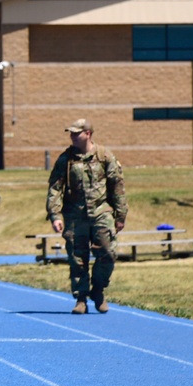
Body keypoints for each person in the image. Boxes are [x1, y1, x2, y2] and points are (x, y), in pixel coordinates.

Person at [46, 119, 128, 314]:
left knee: (107, 254)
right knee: (77, 258)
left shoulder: (104, 156)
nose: (72, 136)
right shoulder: (66, 159)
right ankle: (81, 298)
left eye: (77, 133)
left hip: (101, 212)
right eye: (71, 133)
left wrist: (120, 214)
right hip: (75, 215)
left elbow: (117, 184)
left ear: (88, 133)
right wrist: (55, 215)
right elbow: (55, 188)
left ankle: (98, 290)